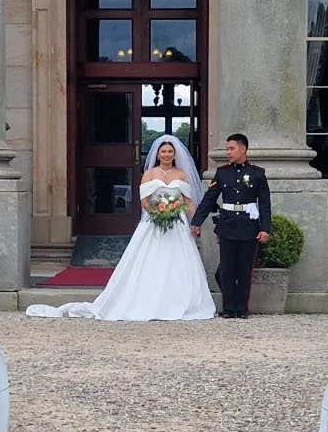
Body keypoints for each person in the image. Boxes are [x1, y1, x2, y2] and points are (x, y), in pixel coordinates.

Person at [25, 135, 215, 321]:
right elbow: (144, 202)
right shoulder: (149, 174)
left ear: (175, 155)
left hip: (177, 224)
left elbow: (188, 201)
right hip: (154, 222)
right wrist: (158, 213)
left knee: (179, 262)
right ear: (157, 154)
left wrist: (194, 222)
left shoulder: (181, 174)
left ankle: (180, 301)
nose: (166, 155)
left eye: (170, 152)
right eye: (163, 151)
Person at [190, 133, 271, 318]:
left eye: (231, 148)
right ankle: (228, 308)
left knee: (244, 269)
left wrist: (265, 228)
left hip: (249, 226)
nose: (228, 152)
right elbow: (209, 199)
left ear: (243, 149)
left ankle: (241, 308)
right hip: (227, 226)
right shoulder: (222, 172)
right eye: (227, 148)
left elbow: (265, 204)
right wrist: (196, 221)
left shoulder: (257, 174)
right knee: (226, 270)